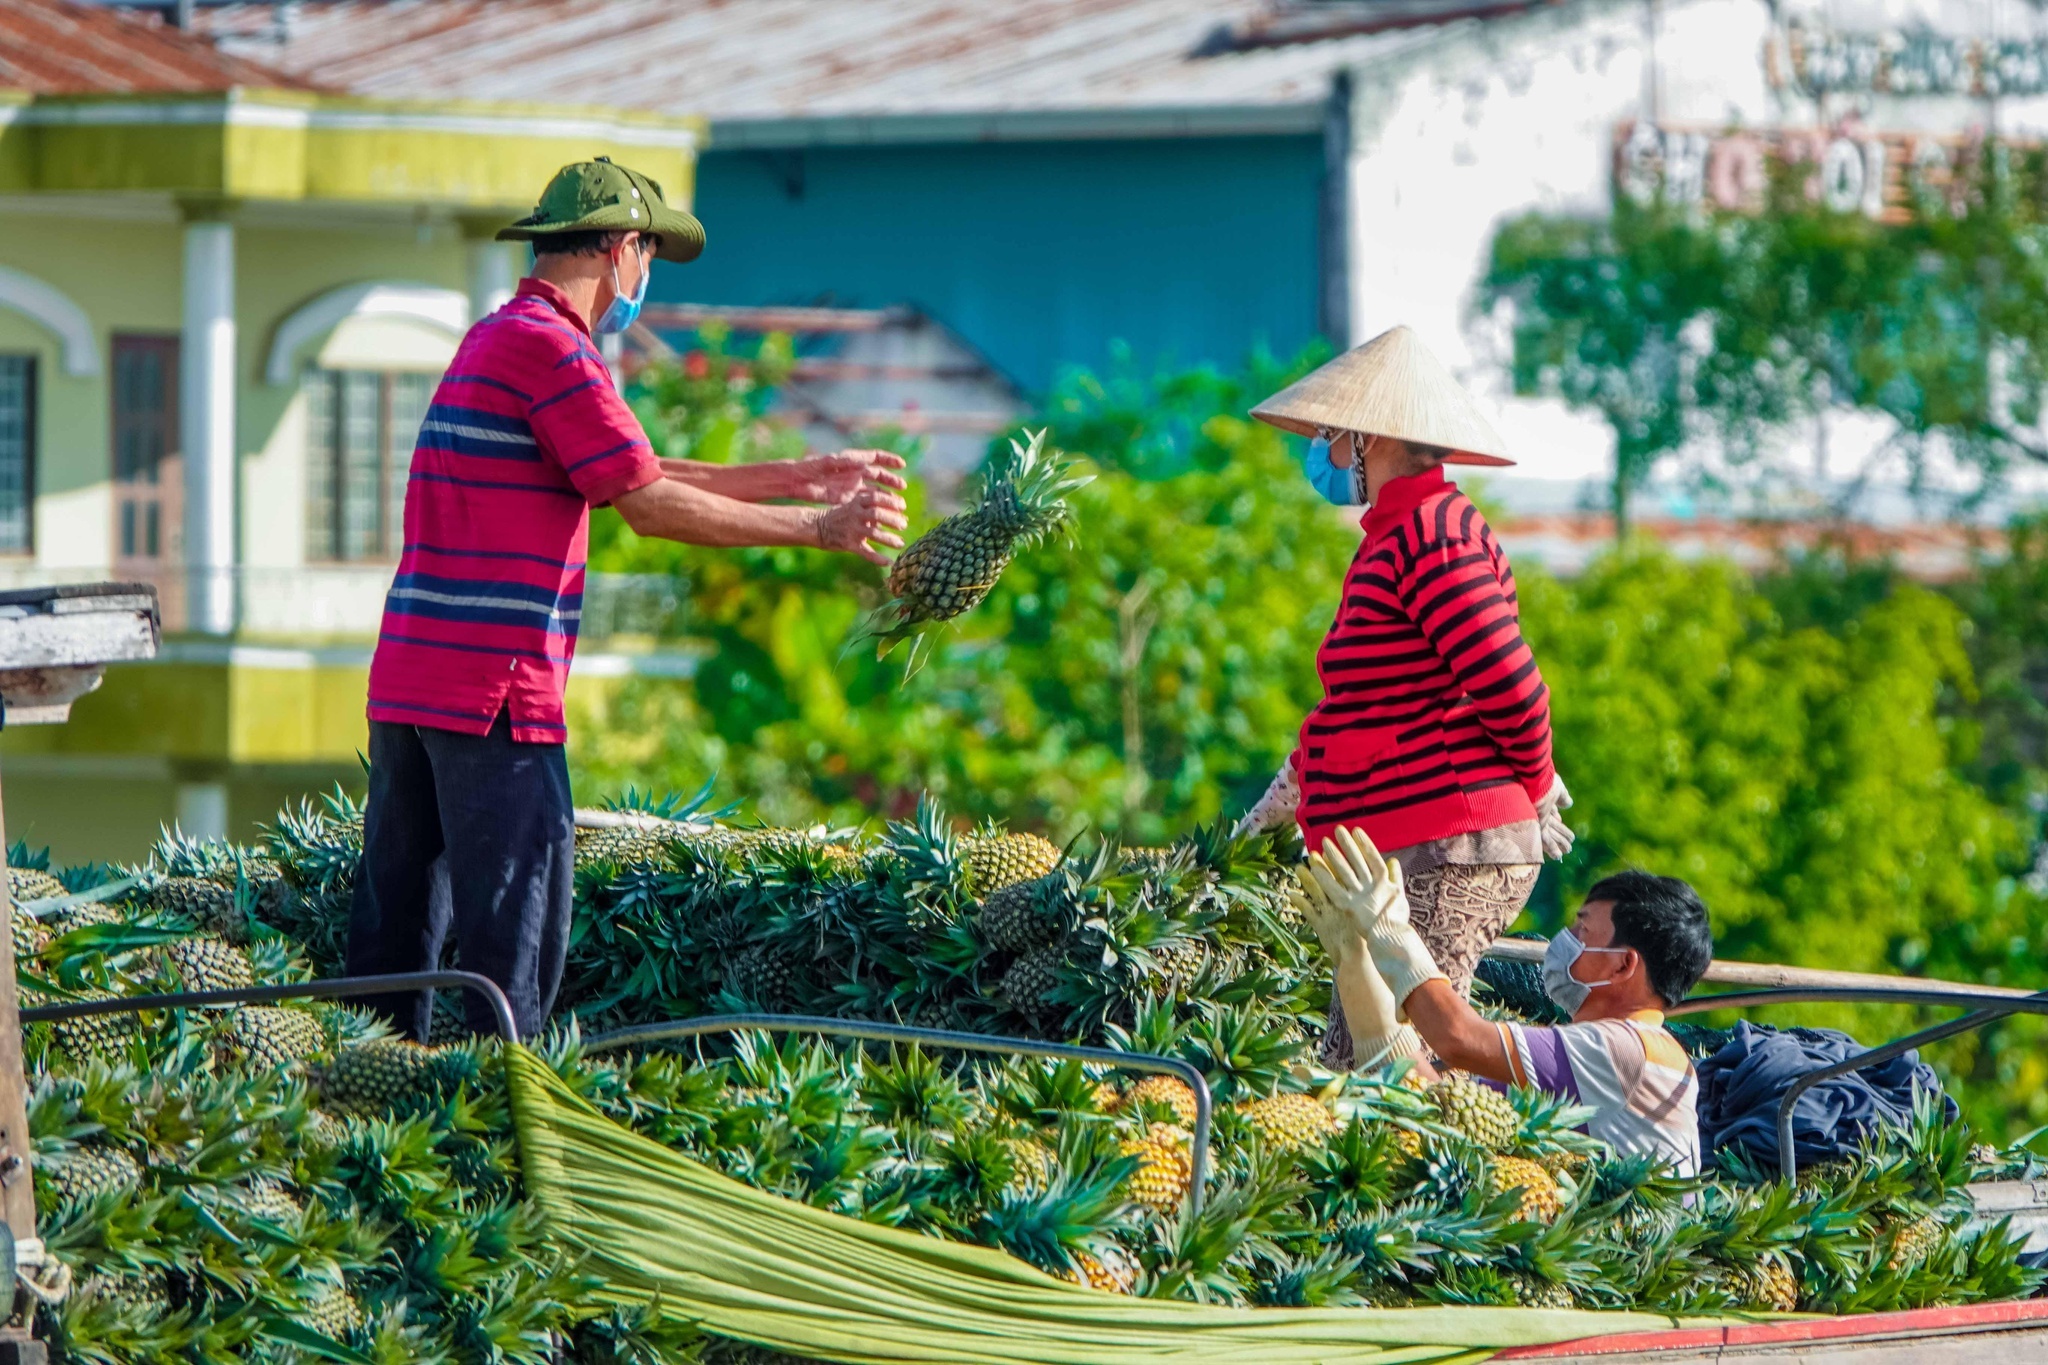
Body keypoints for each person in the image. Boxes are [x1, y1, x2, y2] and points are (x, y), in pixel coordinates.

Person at [347, 157, 910, 1040]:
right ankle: (504, 1143)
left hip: (414, 682)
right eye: (647, 254)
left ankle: (366, 1119)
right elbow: (646, 504)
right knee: (513, 964)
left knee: (393, 954)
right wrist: (817, 530)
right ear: (621, 250)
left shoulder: (501, 337)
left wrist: (802, 474)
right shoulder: (555, 349)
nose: (644, 276)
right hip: (496, 692)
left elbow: (628, 467)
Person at [1235, 325, 1574, 1069]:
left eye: (1329, 432)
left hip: (1452, 836)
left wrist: (1540, 782)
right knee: (1353, 1053)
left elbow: (1510, 683)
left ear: (1367, 439)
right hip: (1399, 844)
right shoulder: (1392, 536)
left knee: (1402, 1062)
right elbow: (1362, 708)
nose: (1320, 448)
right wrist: (1275, 808)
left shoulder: (1433, 531)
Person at [1296, 826, 1709, 1175]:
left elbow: (1456, 1037)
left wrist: (1391, 931)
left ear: (1622, 966)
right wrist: (1354, 964)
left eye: (1583, 932)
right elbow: (1436, 1103)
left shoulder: (1626, 1050)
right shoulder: (1605, 1051)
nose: (1566, 941)